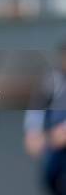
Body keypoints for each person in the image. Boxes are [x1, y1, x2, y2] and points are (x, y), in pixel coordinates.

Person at [24, 42, 66, 195]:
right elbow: (37, 107)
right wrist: (33, 132)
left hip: (60, 136)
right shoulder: (52, 79)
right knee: (50, 179)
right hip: (54, 144)